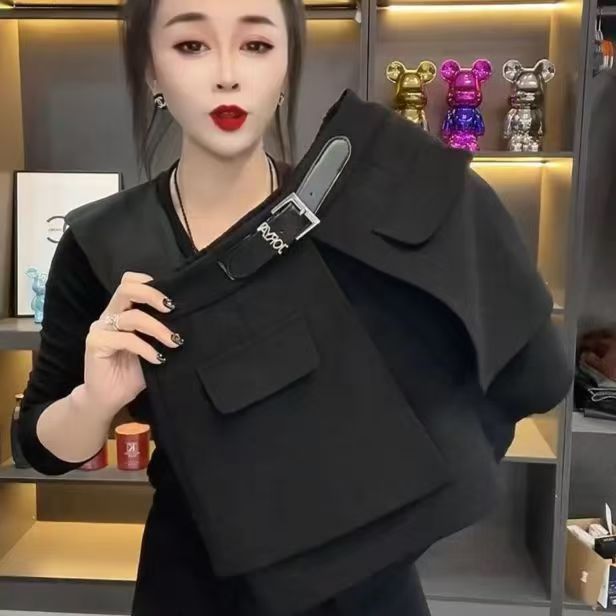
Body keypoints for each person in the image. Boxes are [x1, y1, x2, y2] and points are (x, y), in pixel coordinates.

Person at [17, 0, 572, 614]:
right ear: (151, 70)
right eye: (191, 46)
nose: (227, 74)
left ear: (286, 66)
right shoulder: (103, 245)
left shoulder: (350, 215)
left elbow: (484, 364)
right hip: (198, 584)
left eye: (256, 45)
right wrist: (94, 401)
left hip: (368, 584)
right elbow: (39, 449)